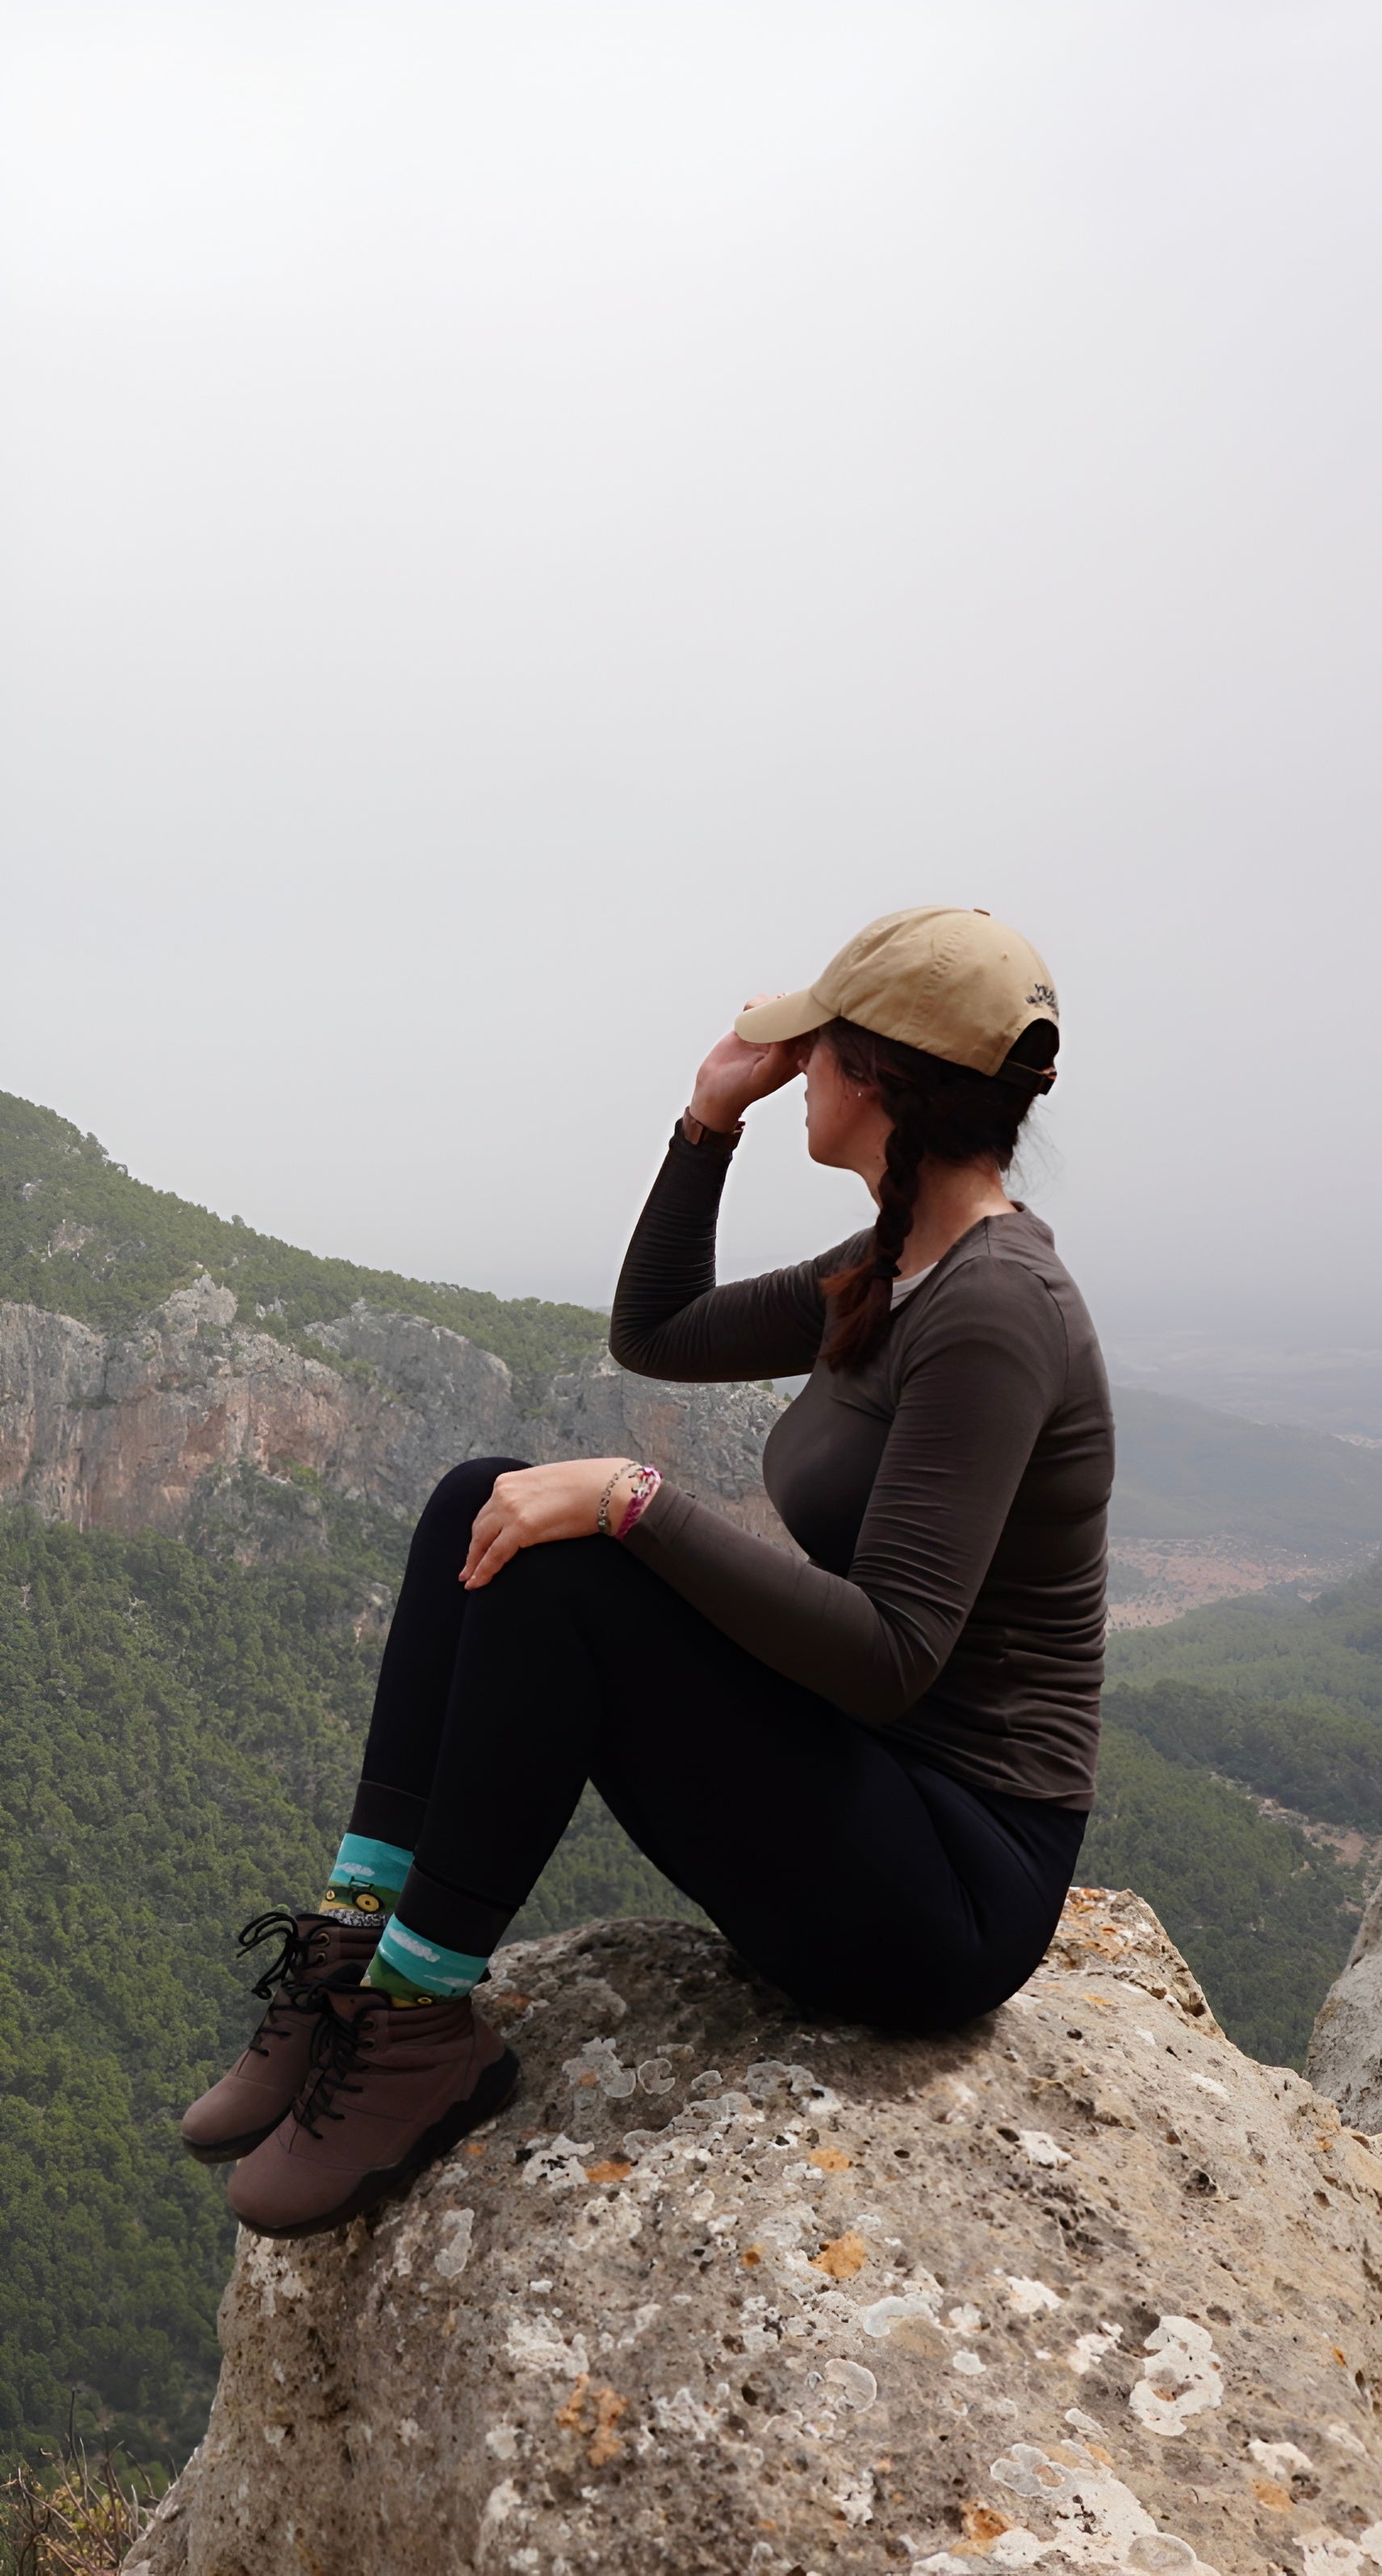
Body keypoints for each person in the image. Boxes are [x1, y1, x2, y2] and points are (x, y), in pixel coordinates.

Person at [181, 904, 1113, 2241]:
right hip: (872, 1786)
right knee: (477, 1501)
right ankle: (358, 1951)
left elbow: (894, 1654)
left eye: (819, 1049)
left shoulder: (995, 1308)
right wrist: (706, 1125)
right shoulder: (896, 1266)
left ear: (878, 1080)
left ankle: (420, 2027)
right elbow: (657, 1332)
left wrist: (634, 1501)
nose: (800, 1068)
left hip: (951, 1887)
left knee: (572, 1568)